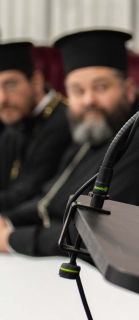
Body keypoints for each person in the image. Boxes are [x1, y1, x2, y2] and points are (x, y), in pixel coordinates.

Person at [0, 29, 139, 256]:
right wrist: (8, 220)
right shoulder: (95, 133)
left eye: (101, 87)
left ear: (128, 90)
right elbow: (51, 197)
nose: (89, 101)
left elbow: (96, 231)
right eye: (78, 91)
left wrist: (11, 239)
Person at [0, 42, 72, 210]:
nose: (2, 99)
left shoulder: (64, 123)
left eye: (10, 85)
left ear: (36, 81)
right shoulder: (16, 124)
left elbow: (26, 196)